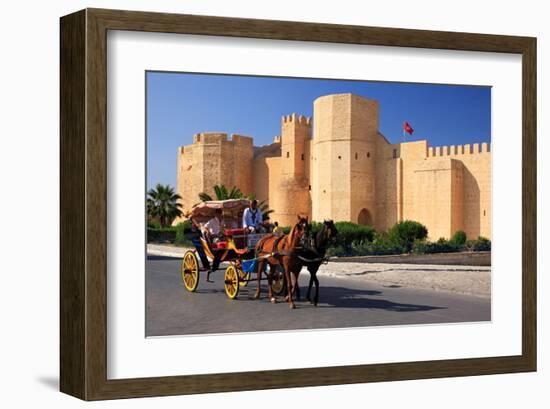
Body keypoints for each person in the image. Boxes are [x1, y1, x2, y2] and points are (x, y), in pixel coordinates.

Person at [202, 208, 224, 282]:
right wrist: (208, 231)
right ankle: (215, 263)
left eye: (220, 213)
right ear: (216, 214)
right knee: (219, 242)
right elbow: (205, 227)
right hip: (214, 237)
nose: (219, 215)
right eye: (218, 214)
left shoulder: (222, 221)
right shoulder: (212, 221)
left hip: (222, 236)